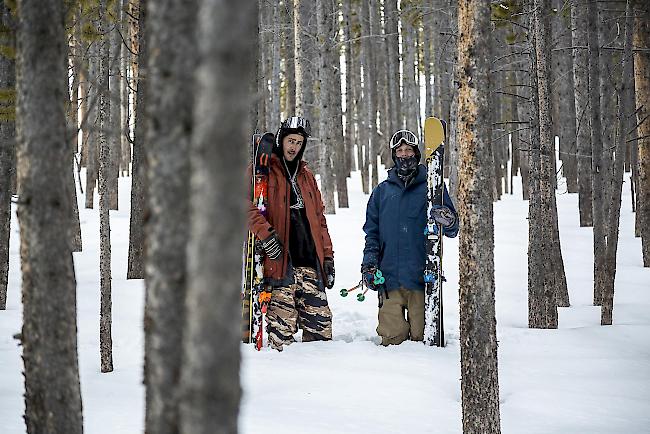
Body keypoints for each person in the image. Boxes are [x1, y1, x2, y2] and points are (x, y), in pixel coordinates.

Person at [361, 128, 459, 346]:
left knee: (425, 339)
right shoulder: (381, 192)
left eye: (409, 150)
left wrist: (449, 220)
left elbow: (452, 230)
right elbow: (372, 234)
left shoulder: (433, 188)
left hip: (422, 280)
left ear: (416, 153)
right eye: (400, 151)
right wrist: (369, 264)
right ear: (394, 155)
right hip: (389, 279)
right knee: (391, 340)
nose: (405, 155)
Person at [247, 116, 335, 351]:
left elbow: (319, 220)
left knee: (322, 336)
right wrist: (265, 235)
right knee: (282, 343)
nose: (294, 146)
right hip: (279, 267)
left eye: (299, 142)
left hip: (309, 264)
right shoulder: (262, 172)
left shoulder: (306, 176)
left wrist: (327, 257)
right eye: (290, 140)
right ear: (281, 140)